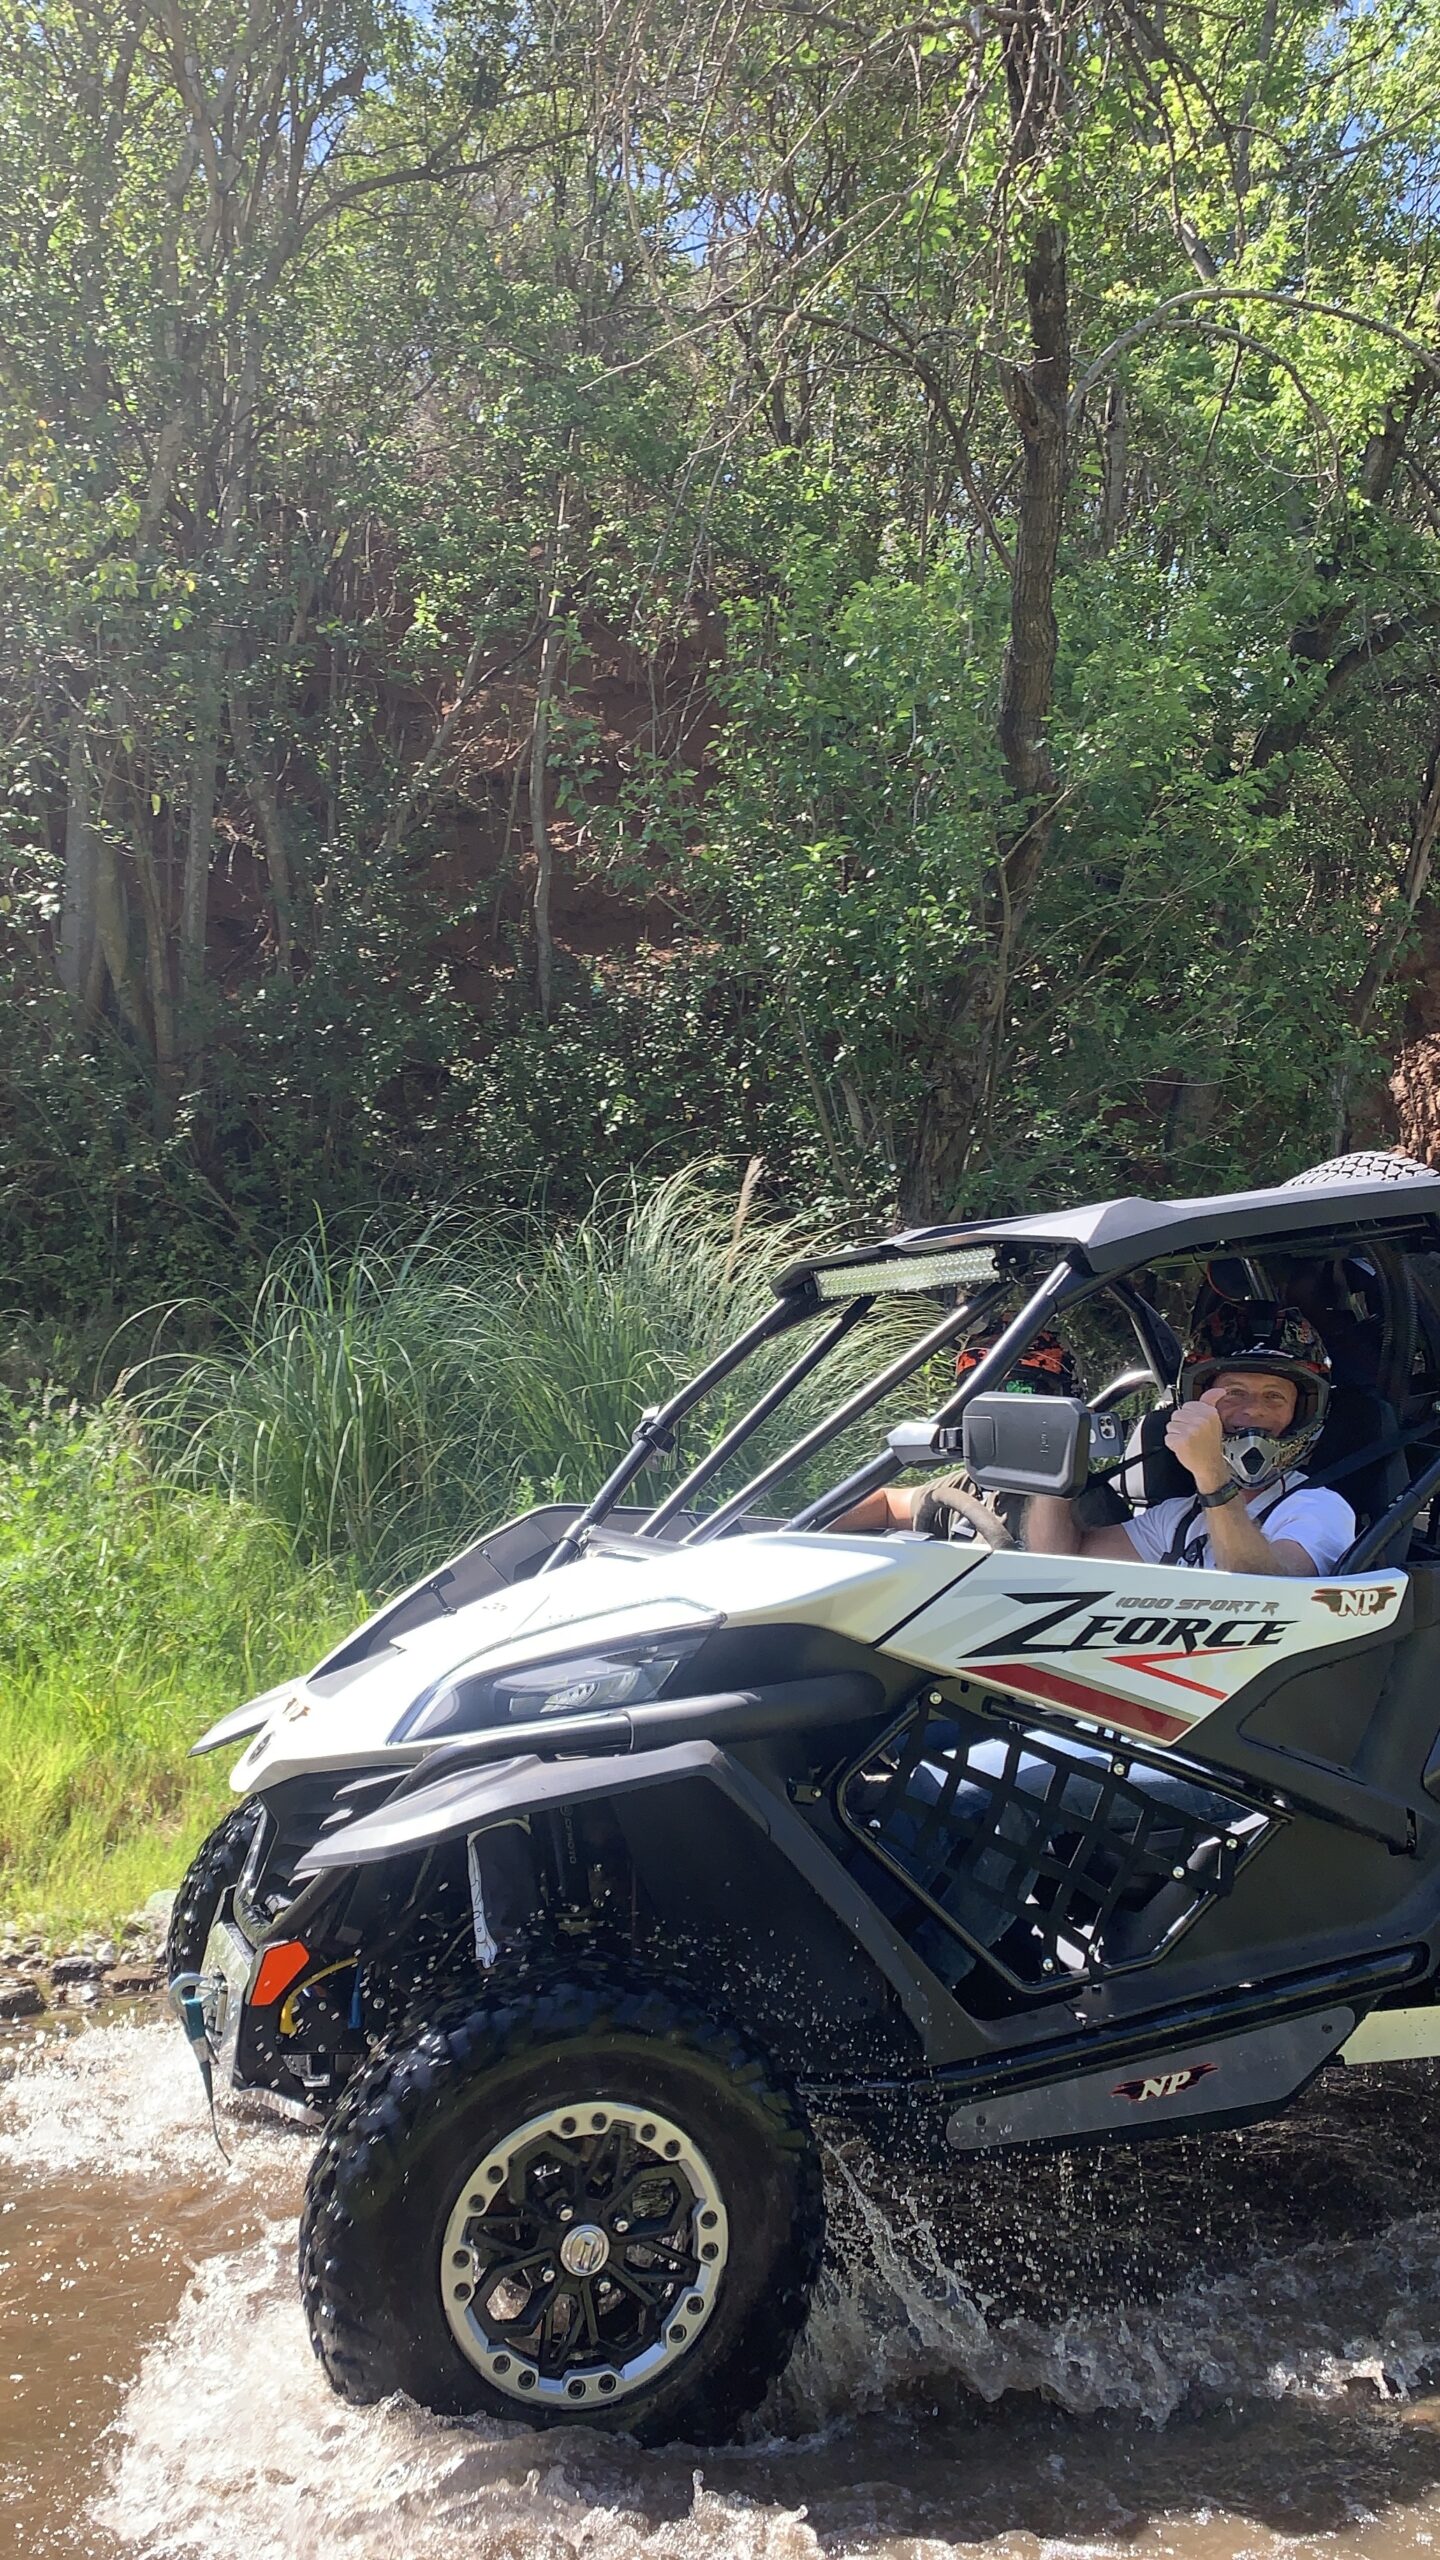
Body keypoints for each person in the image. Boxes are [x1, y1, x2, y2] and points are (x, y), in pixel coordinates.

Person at [1026, 1304, 1354, 1576]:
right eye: (1234, 1392)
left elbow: (1270, 1592)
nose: (1253, 1409)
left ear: (1300, 1412)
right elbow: (1057, 1567)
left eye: (1274, 1396)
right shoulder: (1180, 1517)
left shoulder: (1318, 1508)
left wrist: (1211, 1473)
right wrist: (1056, 1471)